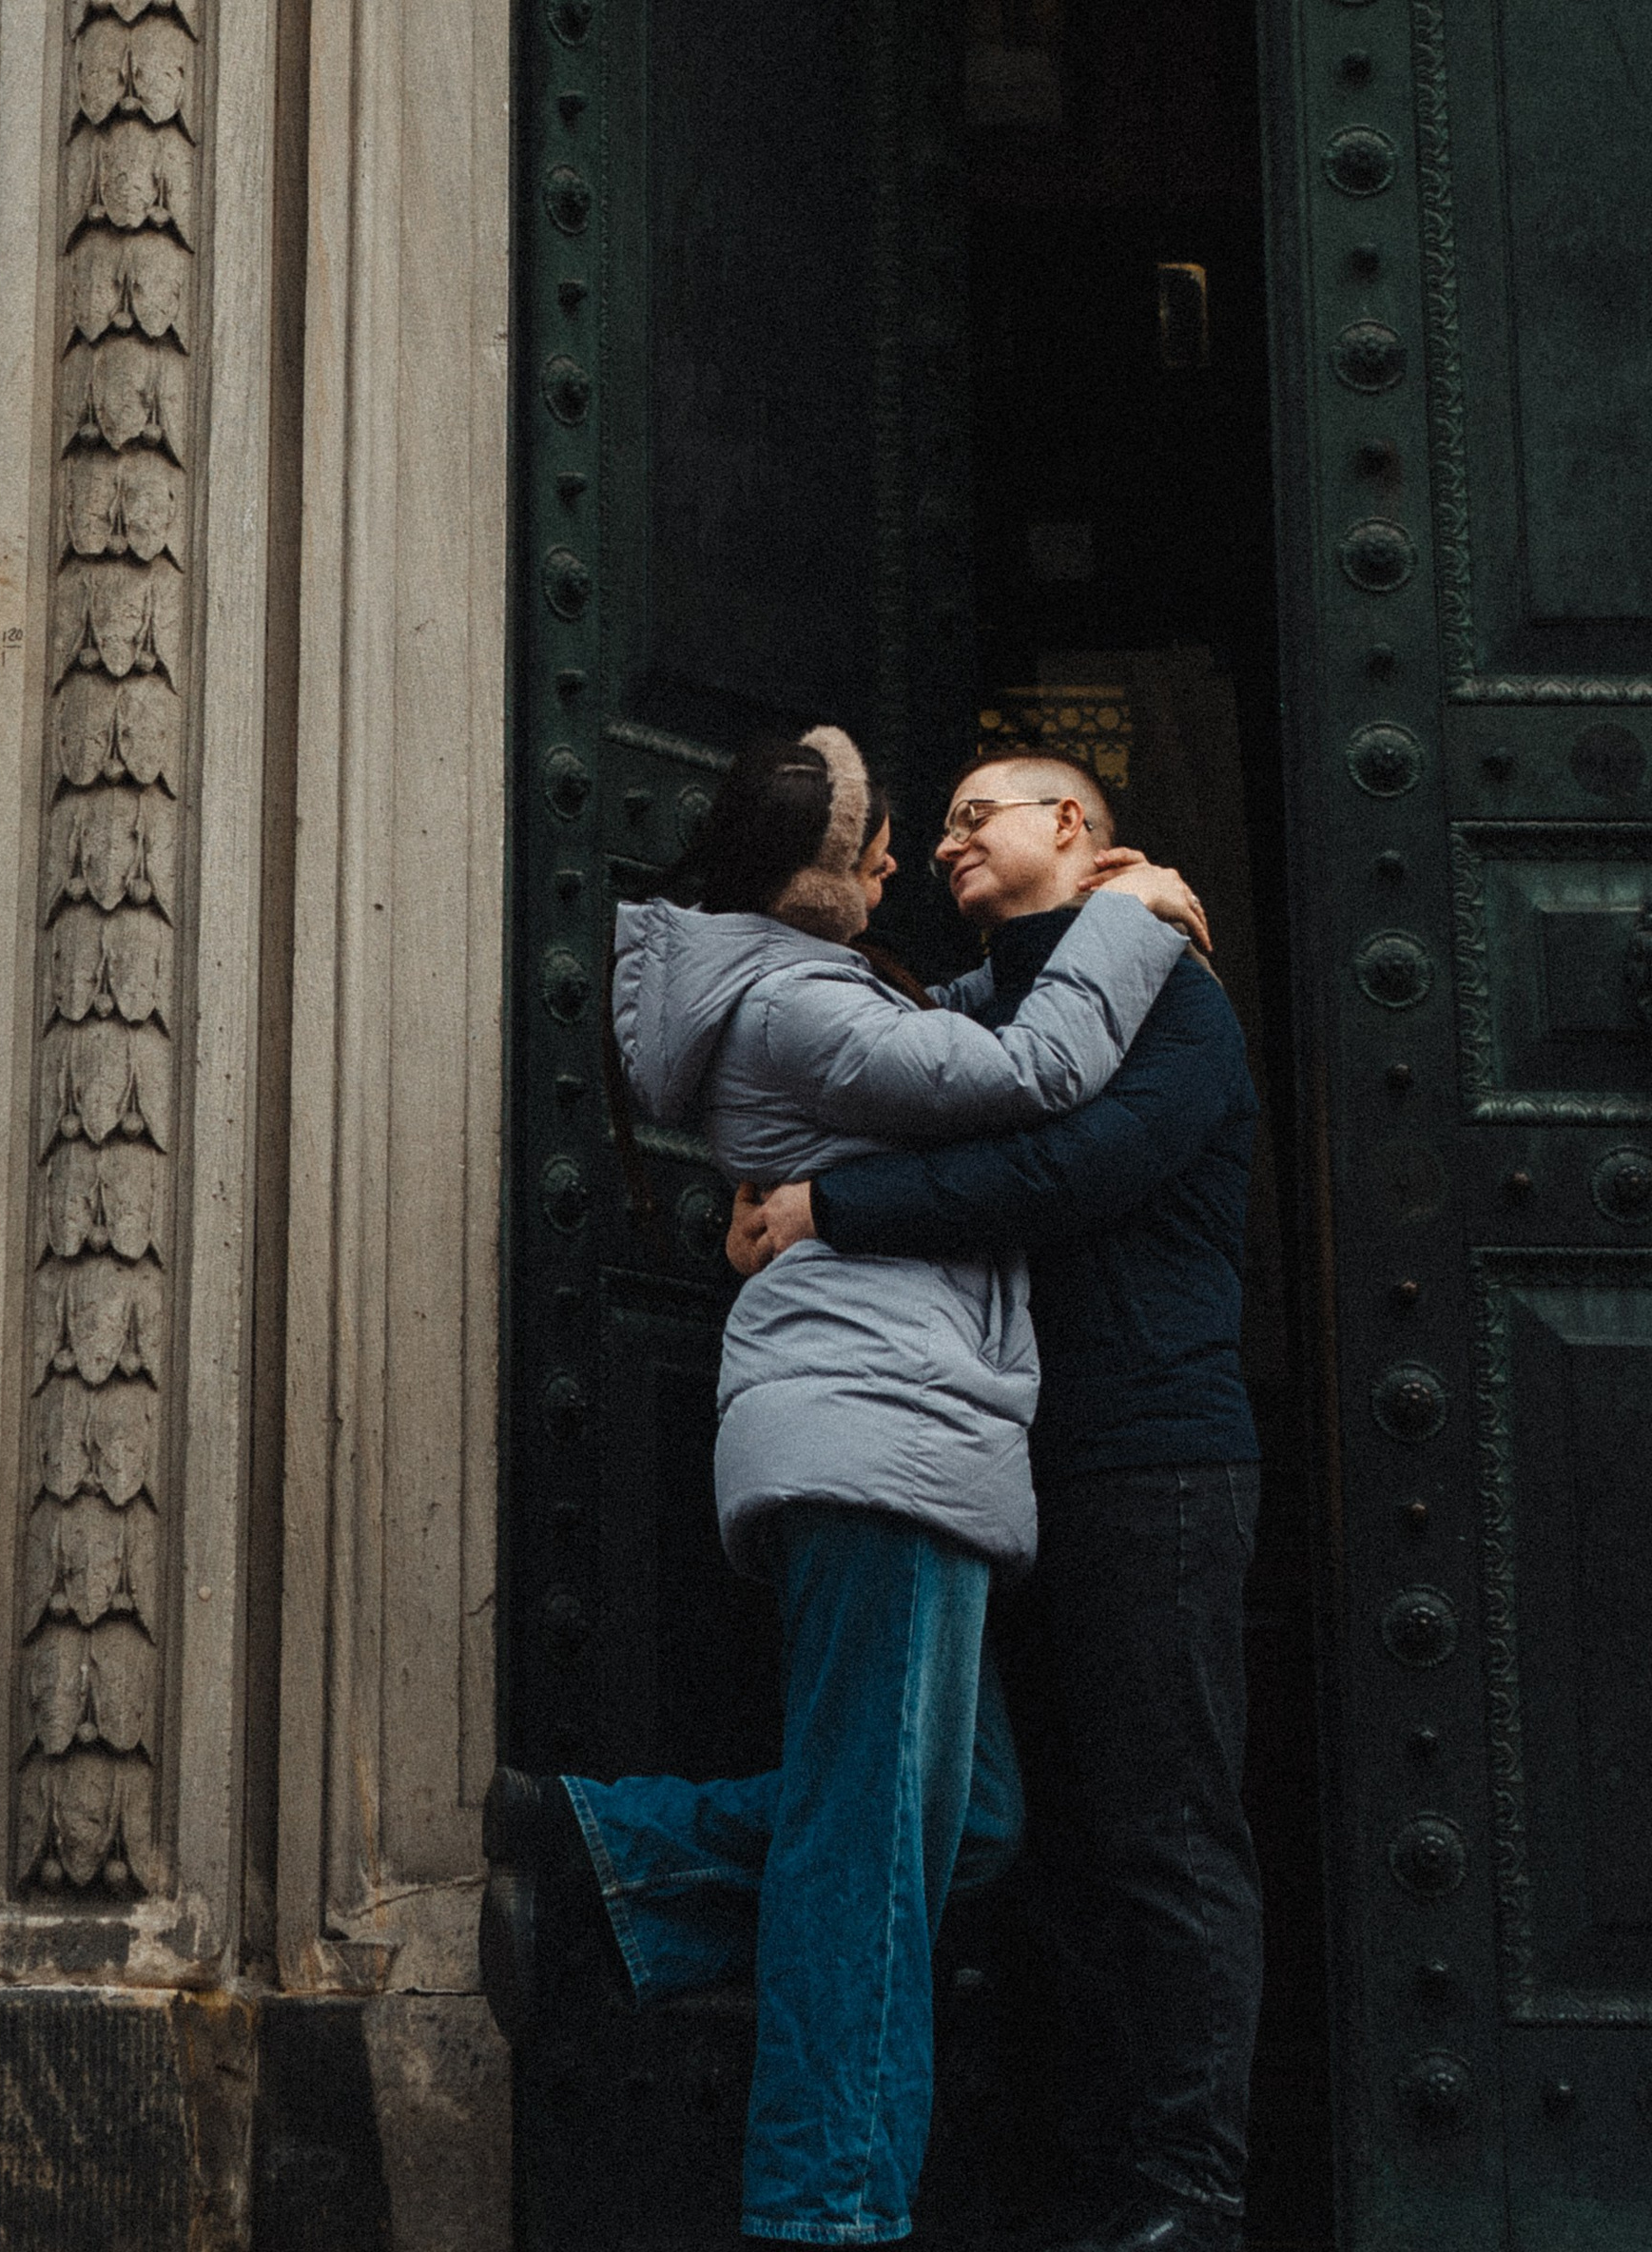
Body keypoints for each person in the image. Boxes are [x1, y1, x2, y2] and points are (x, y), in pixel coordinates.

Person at [480, 727, 1208, 2251]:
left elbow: (940, 1037)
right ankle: (827, 2215)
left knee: (969, 1825)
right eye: (878, 844)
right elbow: (1030, 1070)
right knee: (870, 1859)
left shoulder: (811, 991)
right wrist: (1137, 921)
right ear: (811, 875)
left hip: (901, 1434)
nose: (903, 862)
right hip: (884, 1438)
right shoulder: (797, 1000)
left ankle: (608, 1859)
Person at [729, 754, 1263, 2252]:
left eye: (982, 814)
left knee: (1164, 1836)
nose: (951, 838)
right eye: (945, 821)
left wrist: (828, 1210)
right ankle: (1073, 2176)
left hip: (1154, 1464)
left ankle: (1190, 2196)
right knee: (1015, 1834)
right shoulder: (977, 1018)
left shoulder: (1173, 995)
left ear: (1072, 826)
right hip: (1002, 1466)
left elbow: (1073, 1169)